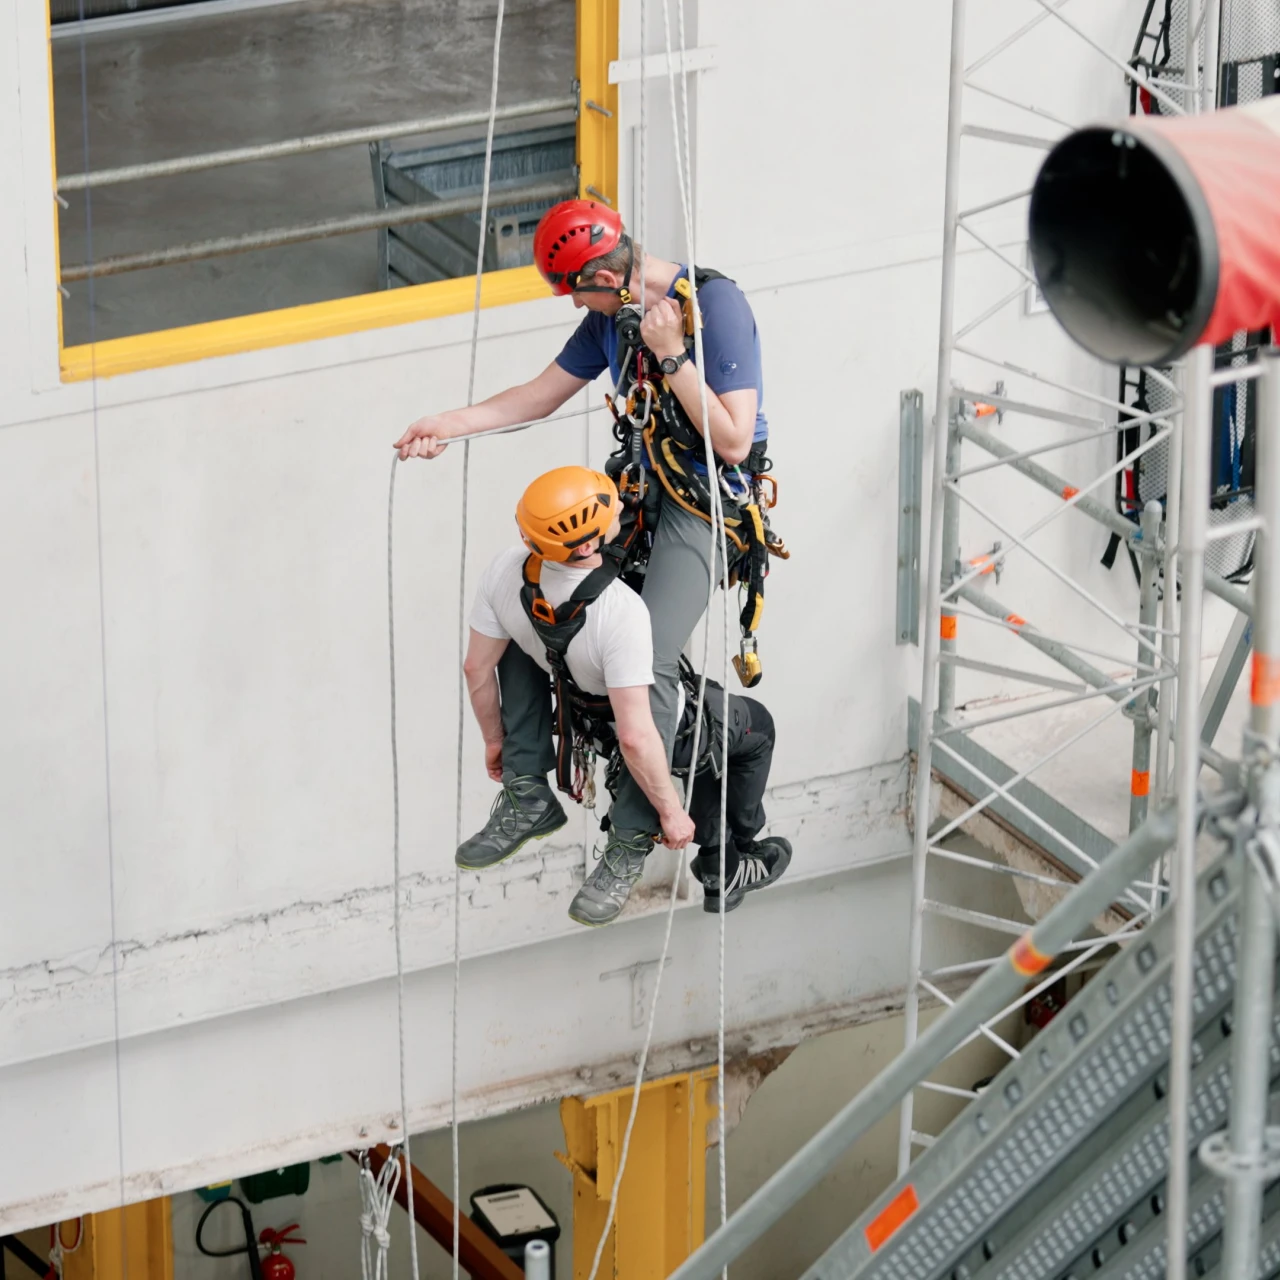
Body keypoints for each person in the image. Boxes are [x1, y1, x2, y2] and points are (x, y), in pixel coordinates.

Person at [395, 199, 782, 898]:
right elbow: (537, 397)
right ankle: (527, 784)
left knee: (652, 654)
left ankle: (634, 833)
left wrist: (671, 355)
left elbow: (732, 438)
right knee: (527, 605)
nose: (578, 304)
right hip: (631, 502)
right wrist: (446, 426)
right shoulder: (611, 317)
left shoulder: (713, 305)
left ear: (608, 270)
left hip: (703, 510)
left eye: (580, 289)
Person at [461, 465, 790, 926]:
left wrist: (496, 742)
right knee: (754, 729)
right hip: (651, 730)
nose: (619, 501)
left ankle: (527, 788)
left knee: (512, 644)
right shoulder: (623, 612)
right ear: (588, 543)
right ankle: (703, 849)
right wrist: (670, 814)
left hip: (585, 716)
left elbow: (477, 669)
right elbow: (639, 738)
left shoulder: (504, 571)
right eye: (610, 504)